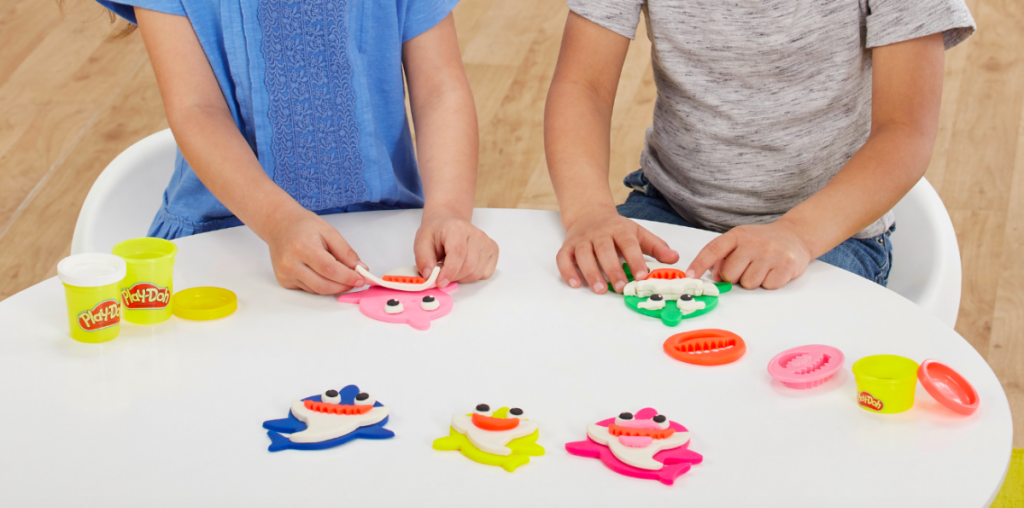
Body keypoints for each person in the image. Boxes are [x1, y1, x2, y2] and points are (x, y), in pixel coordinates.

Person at [545, 0, 974, 293]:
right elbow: (583, 87)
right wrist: (590, 213)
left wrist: (797, 236)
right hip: (672, 210)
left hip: (826, 235)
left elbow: (904, 131)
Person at [93, 0, 498, 295]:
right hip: (225, 241)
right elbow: (197, 110)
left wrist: (448, 210)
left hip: (388, 237)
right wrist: (279, 223)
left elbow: (440, 91)